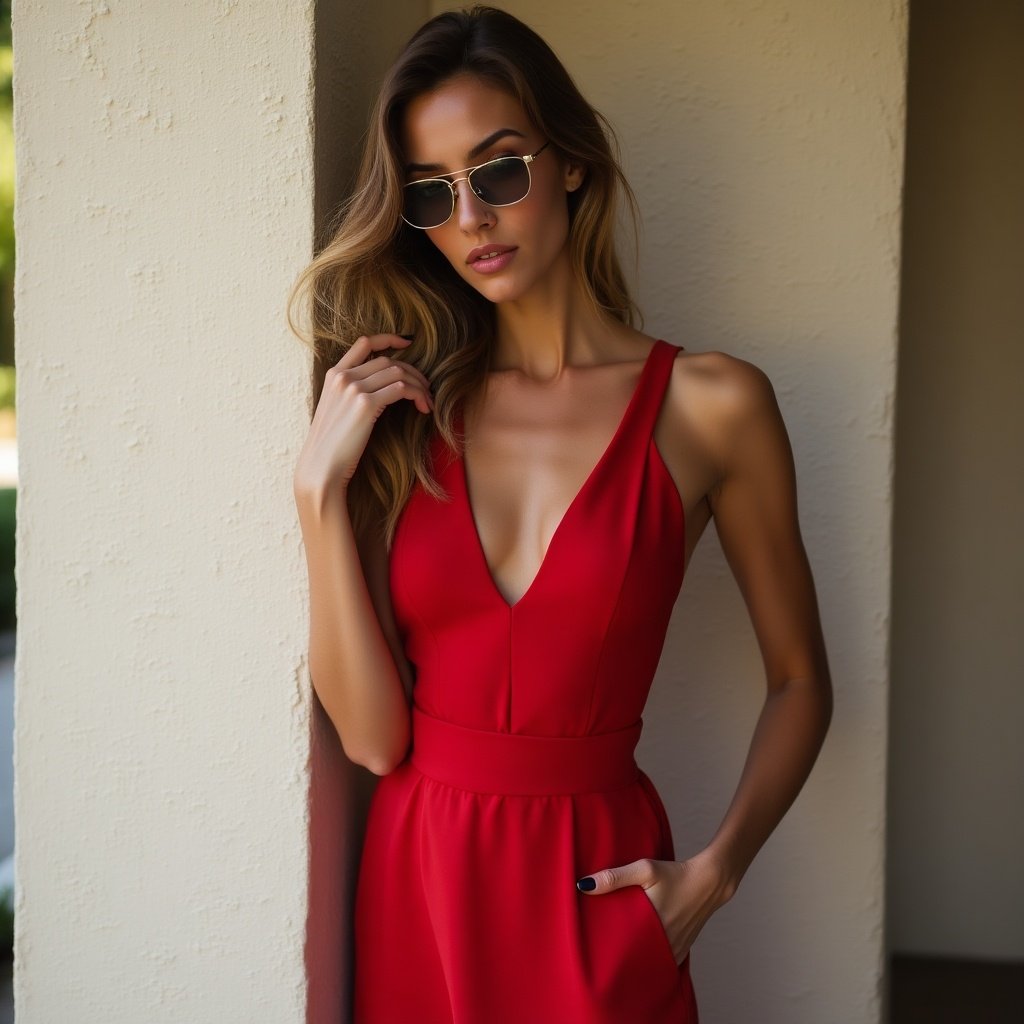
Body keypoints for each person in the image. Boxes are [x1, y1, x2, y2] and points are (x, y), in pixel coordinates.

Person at [288, 6, 833, 1022]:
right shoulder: (409, 415)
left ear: (571, 164)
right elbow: (370, 741)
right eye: (432, 194)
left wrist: (713, 874)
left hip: (594, 892)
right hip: (418, 889)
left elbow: (800, 678)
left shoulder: (711, 405)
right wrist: (318, 493)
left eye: (498, 172)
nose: (471, 218)